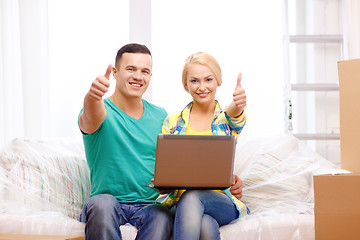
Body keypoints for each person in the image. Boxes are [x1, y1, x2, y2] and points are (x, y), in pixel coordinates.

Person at [78, 43, 173, 240]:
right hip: (107, 202)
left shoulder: (161, 116)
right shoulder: (101, 110)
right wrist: (93, 95)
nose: (138, 76)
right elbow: (91, 115)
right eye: (131, 69)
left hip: (150, 205)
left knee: (163, 216)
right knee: (102, 204)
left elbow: (176, 162)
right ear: (115, 71)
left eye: (144, 71)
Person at [156, 52, 250, 240]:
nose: (202, 87)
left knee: (193, 197)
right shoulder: (172, 122)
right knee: (205, 225)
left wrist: (237, 104)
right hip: (178, 202)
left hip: (220, 201)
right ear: (186, 85)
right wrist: (163, 183)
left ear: (218, 81)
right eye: (194, 81)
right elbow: (167, 166)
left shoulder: (225, 120)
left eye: (208, 79)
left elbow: (234, 115)